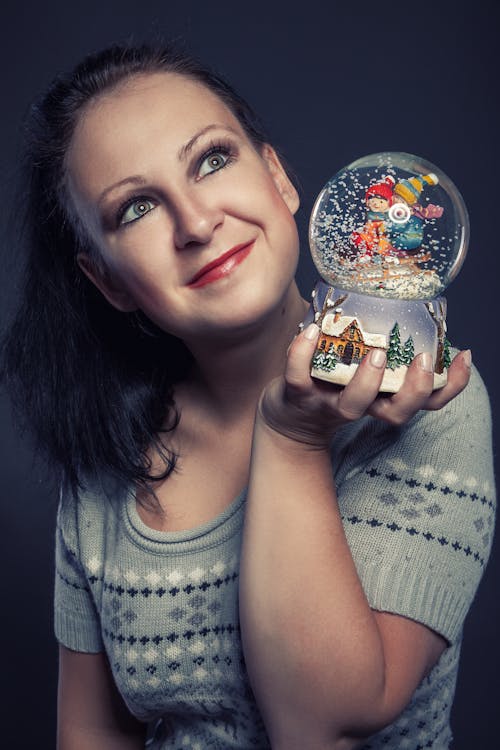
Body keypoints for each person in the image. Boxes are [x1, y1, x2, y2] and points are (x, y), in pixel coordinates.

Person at [1, 42, 495, 750]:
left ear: (278, 178)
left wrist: (292, 439)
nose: (197, 223)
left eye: (211, 160)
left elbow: (319, 728)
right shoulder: (108, 449)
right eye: (136, 208)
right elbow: (90, 733)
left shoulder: (427, 401)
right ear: (106, 280)